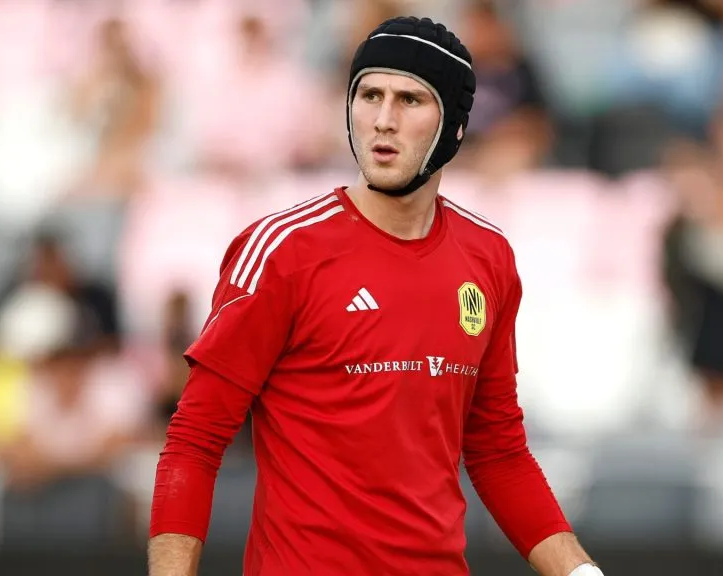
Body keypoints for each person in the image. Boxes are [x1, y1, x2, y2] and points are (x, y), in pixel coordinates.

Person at [148, 16, 602, 576]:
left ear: (455, 126)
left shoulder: (488, 258)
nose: (384, 120)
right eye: (369, 96)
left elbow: (497, 451)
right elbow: (194, 441)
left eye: (410, 99)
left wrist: (582, 572)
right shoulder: (283, 251)